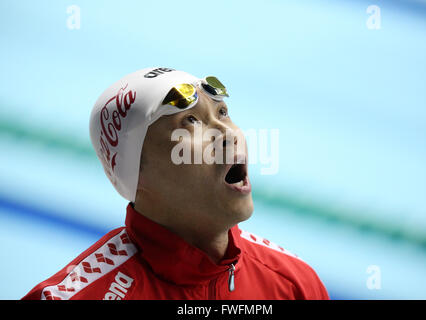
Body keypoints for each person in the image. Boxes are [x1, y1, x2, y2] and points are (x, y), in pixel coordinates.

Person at [22, 67, 329, 300]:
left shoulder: (292, 283)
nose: (227, 132)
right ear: (137, 173)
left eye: (222, 112)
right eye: (190, 122)